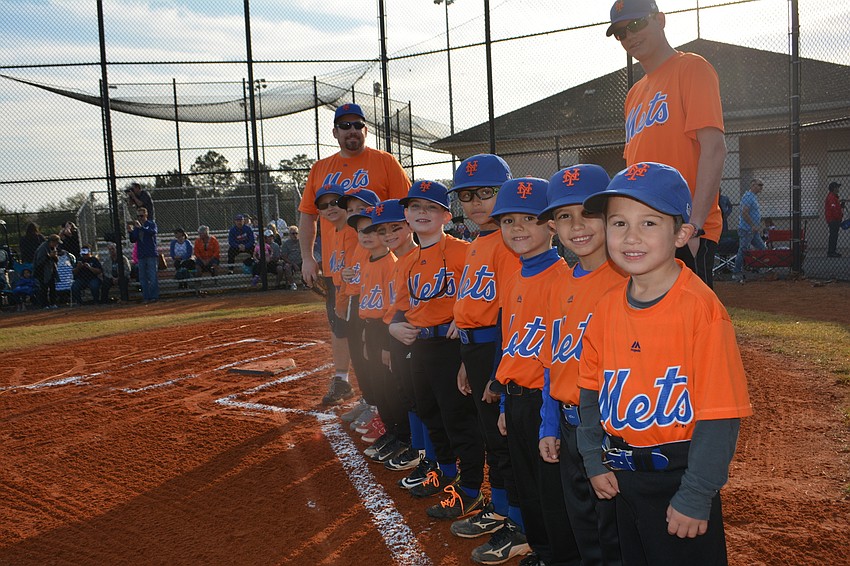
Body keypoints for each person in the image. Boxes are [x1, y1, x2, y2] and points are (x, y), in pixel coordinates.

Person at [578, 162, 753, 566]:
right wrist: (593, 458)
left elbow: (720, 416)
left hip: (681, 477)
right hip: (620, 474)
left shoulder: (701, 312)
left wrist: (695, 495)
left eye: (650, 223)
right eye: (619, 223)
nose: (631, 237)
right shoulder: (605, 310)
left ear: (681, 233)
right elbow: (590, 391)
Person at [489, 177, 581, 566]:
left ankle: (562, 557)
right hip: (517, 400)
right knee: (528, 487)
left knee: (553, 493)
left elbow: (556, 361)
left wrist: (550, 420)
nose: (518, 229)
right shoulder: (513, 279)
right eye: (508, 221)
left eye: (529, 218)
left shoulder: (562, 280)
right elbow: (511, 345)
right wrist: (504, 403)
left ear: (551, 226)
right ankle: (543, 552)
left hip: (547, 404)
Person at [538, 164, 626, 566]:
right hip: (569, 426)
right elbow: (550, 363)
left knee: (616, 529)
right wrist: (550, 423)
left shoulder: (627, 279)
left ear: (610, 215)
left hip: (610, 428)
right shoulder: (559, 282)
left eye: (587, 212)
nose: (577, 225)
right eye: (563, 216)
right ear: (553, 226)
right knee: (584, 525)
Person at [442, 154, 527, 565]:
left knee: (505, 441)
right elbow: (473, 307)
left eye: (486, 194)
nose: (475, 203)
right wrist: (465, 361)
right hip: (475, 350)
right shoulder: (480, 242)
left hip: (499, 350)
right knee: (493, 437)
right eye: (467, 196)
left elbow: (513, 315)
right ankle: (503, 510)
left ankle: (520, 522)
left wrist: (496, 370)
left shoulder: (509, 243)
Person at [607, 0, 727, 288]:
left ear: (660, 20)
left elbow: (714, 148)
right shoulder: (634, 94)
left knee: (690, 323)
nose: (630, 36)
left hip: (682, 228)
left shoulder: (691, 68)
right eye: (621, 32)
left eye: (637, 24)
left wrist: (694, 227)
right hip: (646, 230)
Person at [298, 102, 411, 403]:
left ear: (365, 130)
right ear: (335, 132)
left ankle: (385, 394)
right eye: (345, 126)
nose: (352, 131)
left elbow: (405, 209)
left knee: (377, 327)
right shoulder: (321, 169)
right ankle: (343, 381)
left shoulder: (385, 162)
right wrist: (309, 257)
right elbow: (308, 215)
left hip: (377, 262)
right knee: (343, 324)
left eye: (357, 125)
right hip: (339, 266)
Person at [389, 181, 485, 521]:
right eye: (415, 207)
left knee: (457, 417)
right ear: (406, 215)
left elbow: (483, 291)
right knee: (429, 411)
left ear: (446, 215)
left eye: (430, 208)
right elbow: (401, 307)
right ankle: (444, 472)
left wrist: (464, 313)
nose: (422, 213)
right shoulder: (405, 261)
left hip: (451, 345)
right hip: (421, 345)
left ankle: (471, 487)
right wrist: (392, 326)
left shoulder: (464, 251)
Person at [733, 179, 766, 281]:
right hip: (747, 230)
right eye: (759, 185)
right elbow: (744, 213)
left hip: (752, 231)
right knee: (743, 250)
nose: (761, 187)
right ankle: (736, 272)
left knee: (763, 249)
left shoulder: (753, 197)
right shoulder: (748, 197)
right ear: (753, 185)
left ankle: (756, 269)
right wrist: (752, 225)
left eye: (762, 185)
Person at [128, 206, 159, 303]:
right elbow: (133, 239)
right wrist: (130, 232)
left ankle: (154, 297)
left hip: (150, 254)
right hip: (141, 255)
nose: (140, 218)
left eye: (141, 215)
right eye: (138, 216)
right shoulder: (137, 227)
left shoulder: (151, 224)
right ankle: (146, 297)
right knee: (142, 278)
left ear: (146, 215)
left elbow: (152, 232)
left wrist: (141, 227)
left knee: (152, 276)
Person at [33, 234, 61, 309]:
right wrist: (49, 256)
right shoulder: (43, 248)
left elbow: (55, 260)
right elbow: (39, 262)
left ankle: (53, 303)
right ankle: (44, 304)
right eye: (56, 243)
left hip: (51, 270)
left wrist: (54, 257)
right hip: (42, 271)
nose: (57, 245)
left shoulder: (53, 248)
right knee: (44, 288)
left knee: (52, 286)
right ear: (52, 241)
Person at [280, 225, 302, 290]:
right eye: (293, 233)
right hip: (291, 263)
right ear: (289, 234)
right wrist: (293, 264)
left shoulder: (301, 242)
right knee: (287, 266)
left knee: (307, 265)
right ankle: (292, 284)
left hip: (301, 261)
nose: (295, 235)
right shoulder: (286, 244)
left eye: (296, 233)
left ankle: (306, 283)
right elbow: (284, 257)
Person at [825, 181, 844, 258]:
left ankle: (832, 251)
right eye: (837, 187)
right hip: (833, 220)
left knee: (834, 235)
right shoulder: (832, 197)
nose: (838, 188)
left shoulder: (833, 197)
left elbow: (835, 208)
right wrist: (838, 218)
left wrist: (840, 206)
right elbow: (833, 209)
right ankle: (831, 252)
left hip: (834, 219)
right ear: (834, 188)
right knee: (833, 236)